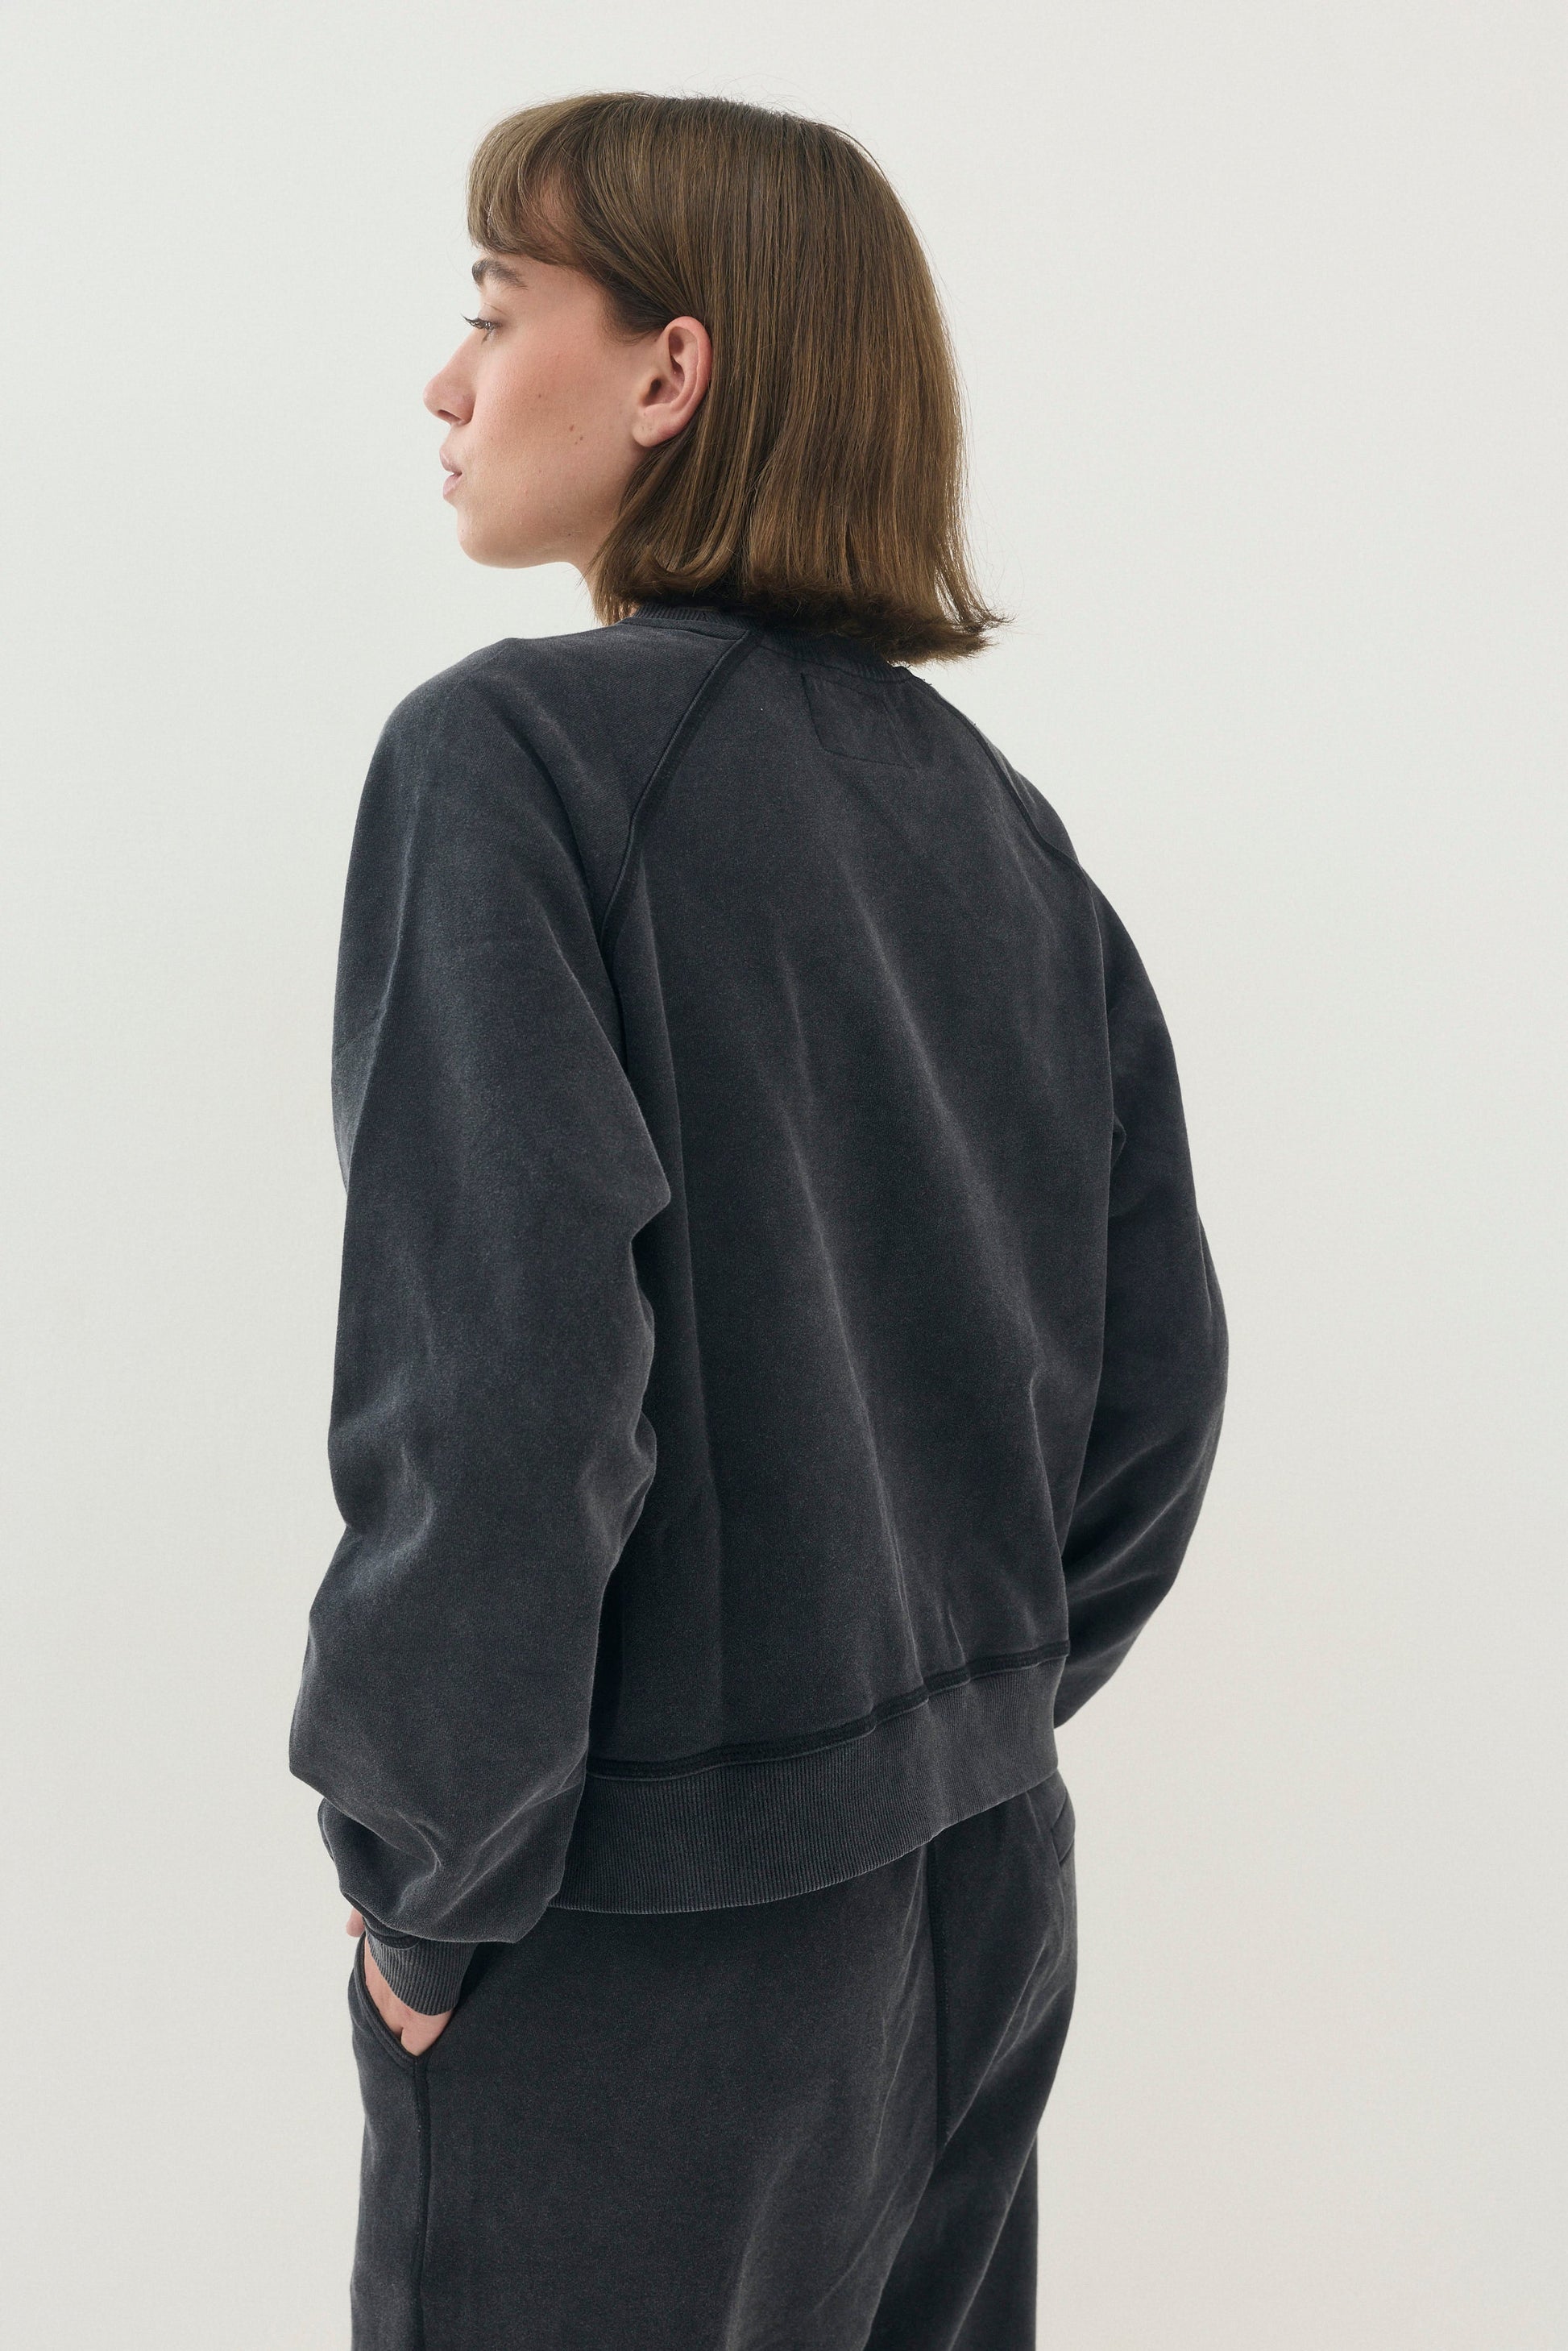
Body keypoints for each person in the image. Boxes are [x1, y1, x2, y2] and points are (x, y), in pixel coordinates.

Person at [288, 89, 1228, 2351]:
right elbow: (1153, 1391)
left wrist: (426, 1877)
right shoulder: (996, 828)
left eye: (496, 307)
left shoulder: (507, 758)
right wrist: (948, 1724)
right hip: (974, 1905)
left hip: (641, 1942)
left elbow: (503, 1383)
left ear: (669, 372)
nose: (446, 380)